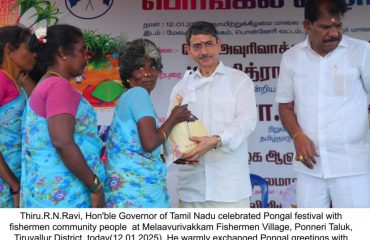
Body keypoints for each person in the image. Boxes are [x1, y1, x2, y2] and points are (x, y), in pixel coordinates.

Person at [275, 0, 370, 207]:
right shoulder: (291, 57)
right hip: (310, 165)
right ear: (308, 26)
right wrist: (297, 135)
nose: (334, 33)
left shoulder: (361, 51)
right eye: (326, 27)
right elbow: (286, 105)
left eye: (338, 26)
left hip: (352, 164)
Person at [168, 21, 257, 208]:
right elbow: (171, 127)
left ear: (219, 44)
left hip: (230, 189)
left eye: (208, 44)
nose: (204, 51)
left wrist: (216, 140)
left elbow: (247, 121)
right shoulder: (182, 87)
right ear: (189, 51)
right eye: (197, 46)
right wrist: (178, 153)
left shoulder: (239, 80)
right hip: (192, 188)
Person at [21, 24, 105, 208]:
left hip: (51, 189)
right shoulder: (59, 87)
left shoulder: (46, 83)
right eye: (82, 50)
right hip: (65, 194)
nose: (86, 57)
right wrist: (96, 186)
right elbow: (62, 142)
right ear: (62, 53)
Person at [105, 38, 194, 208]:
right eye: (140, 68)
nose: (148, 73)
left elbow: (138, 147)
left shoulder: (128, 96)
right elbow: (150, 142)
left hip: (125, 189)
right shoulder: (138, 93)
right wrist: (174, 118)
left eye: (153, 67)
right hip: (137, 190)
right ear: (128, 73)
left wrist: (171, 156)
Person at [0, 25, 36, 208]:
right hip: (6, 180)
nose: (34, 54)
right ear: (9, 50)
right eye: (29, 48)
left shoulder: (18, 85)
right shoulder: (1, 80)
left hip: (16, 175)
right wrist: (13, 184)